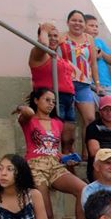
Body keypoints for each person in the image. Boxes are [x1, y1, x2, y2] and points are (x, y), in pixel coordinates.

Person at [14, 88, 87, 219]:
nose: (51, 104)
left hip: (54, 165)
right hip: (34, 166)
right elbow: (26, 113)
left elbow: (53, 150)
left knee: (83, 188)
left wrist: (65, 158)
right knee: (47, 215)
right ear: (36, 100)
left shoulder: (58, 123)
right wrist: (21, 108)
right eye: (47, 100)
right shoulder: (29, 120)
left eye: (53, 101)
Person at [28, 21, 77, 150]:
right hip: (52, 99)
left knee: (69, 139)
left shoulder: (57, 57)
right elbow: (43, 44)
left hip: (68, 99)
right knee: (53, 138)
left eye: (56, 36)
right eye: (49, 35)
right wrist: (43, 29)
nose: (53, 39)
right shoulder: (38, 54)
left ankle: (67, 165)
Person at [60, 10, 101, 132]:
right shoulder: (62, 37)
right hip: (66, 84)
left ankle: (87, 151)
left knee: (90, 119)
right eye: (73, 20)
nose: (77, 23)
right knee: (66, 121)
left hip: (84, 85)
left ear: (84, 23)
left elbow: (93, 63)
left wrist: (97, 84)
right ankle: (65, 151)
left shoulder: (89, 38)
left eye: (80, 21)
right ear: (68, 22)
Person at [85, 14, 111, 98]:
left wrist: (102, 53)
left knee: (110, 108)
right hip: (88, 84)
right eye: (91, 25)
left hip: (106, 83)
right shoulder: (81, 42)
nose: (95, 28)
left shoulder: (100, 42)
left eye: (96, 26)